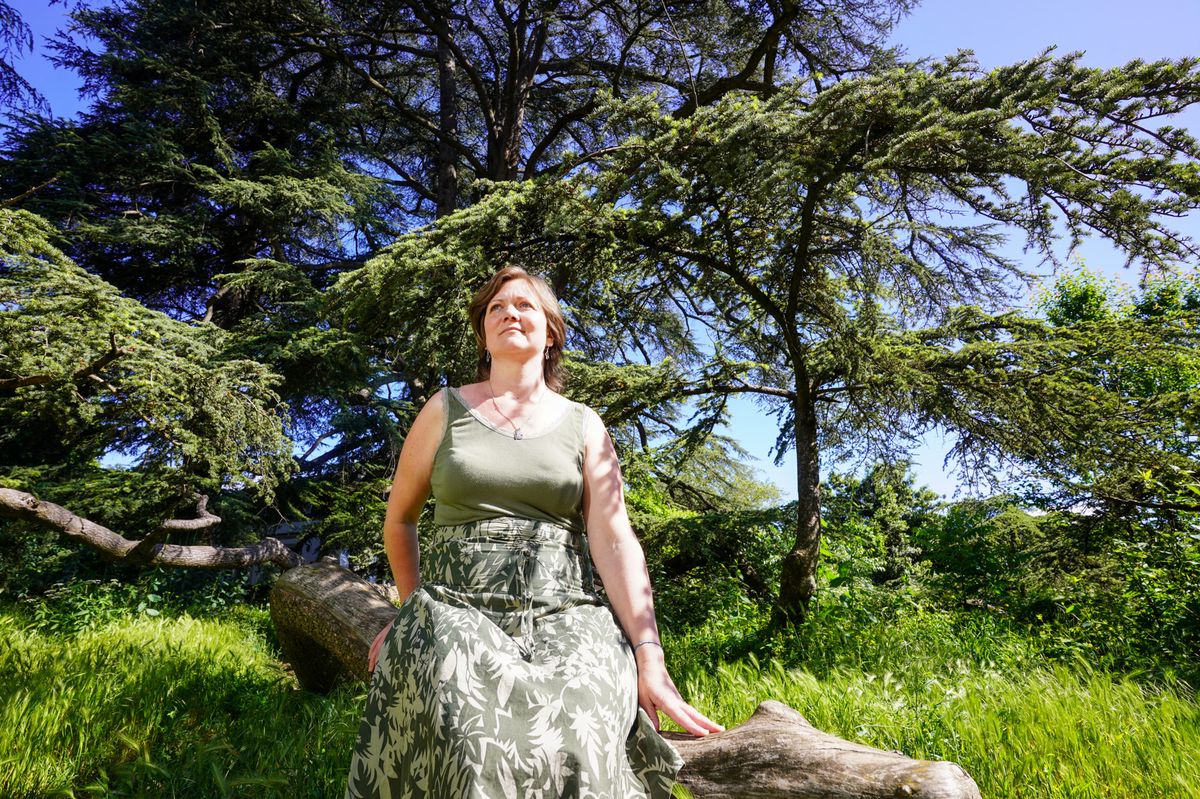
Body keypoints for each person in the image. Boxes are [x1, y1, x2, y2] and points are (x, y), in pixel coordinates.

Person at [344, 266, 722, 799]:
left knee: (585, 724)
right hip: (456, 609)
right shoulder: (444, 409)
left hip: (565, 612)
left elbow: (614, 539)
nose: (509, 313)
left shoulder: (584, 424)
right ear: (483, 333)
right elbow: (399, 519)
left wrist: (648, 655)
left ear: (551, 333)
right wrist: (414, 613)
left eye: (524, 305)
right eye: (496, 308)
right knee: (468, 732)